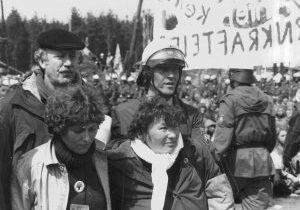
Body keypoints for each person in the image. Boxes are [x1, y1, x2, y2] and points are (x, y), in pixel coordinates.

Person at [0, 28, 85, 210]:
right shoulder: (13, 107)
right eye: (61, 56)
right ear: (41, 60)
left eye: (73, 56)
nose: (69, 63)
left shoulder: (93, 103)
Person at [107, 96, 234, 210]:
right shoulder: (121, 160)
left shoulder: (195, 152)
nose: (173, 135)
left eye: (175, 126)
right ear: (141, 133)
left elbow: (220, 194)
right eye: (163, 128)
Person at [11, 85, 111, 210]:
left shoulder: (106, 163)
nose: (87, 138)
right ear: (60, 128)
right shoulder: (30, 165)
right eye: (78, 130)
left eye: (92, 129)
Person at [110, 38, 205, 144]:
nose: (171, 75)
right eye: (163, 69)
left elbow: (202, 154)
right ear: (147, 73)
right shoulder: (124, 113)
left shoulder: (191, 115)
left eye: (175, 69)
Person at [210, 68, 276, 209]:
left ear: (233, 80)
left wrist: (212, 159)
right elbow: (272, 136)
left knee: (221, 204)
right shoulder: (267, 99)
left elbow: (223, 135)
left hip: (235, 163)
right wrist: (262, 152)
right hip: (262, 162)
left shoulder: (230, 99)